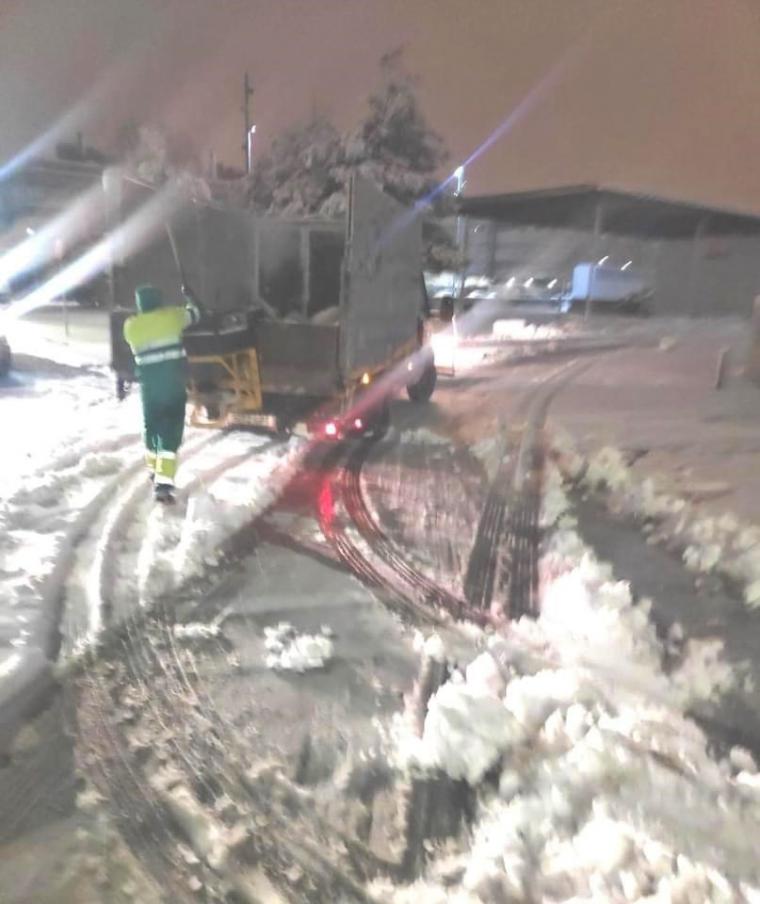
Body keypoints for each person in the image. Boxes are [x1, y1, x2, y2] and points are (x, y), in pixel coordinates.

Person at [123, 284, 201, 502]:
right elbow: (196, 314)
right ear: (159, 301)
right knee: (170, 434)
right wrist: (190, 298)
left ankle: (153, 469)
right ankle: (163, 484)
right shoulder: (172, 317)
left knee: (153, 429)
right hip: (173, 387)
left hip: (150, 390)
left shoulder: (131, 327)